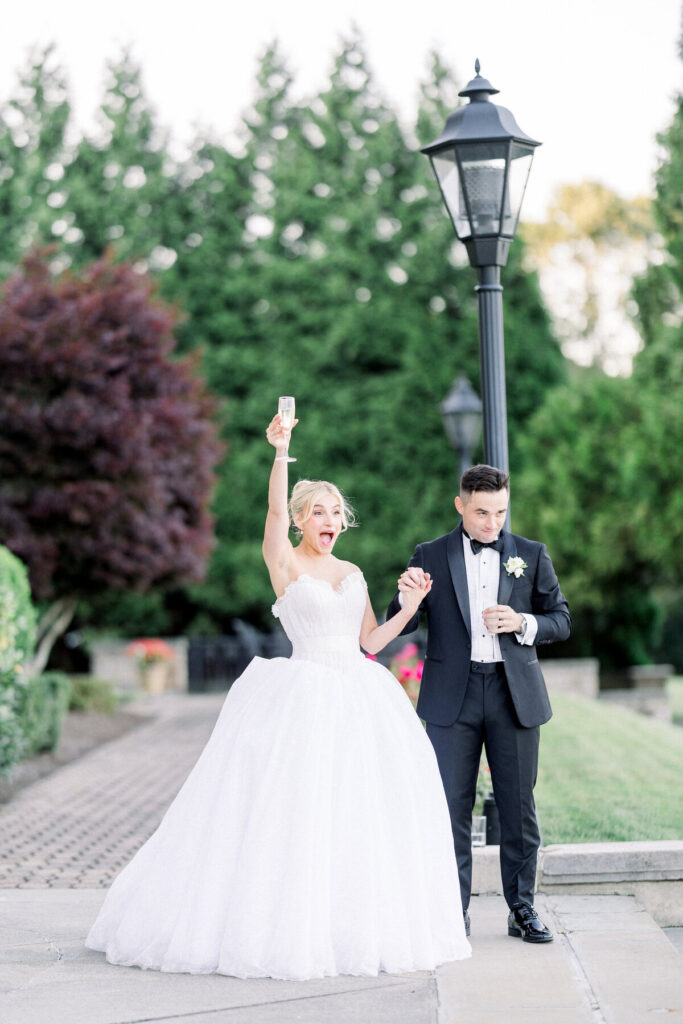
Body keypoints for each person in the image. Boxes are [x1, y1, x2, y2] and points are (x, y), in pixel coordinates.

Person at [85, 411, 471, 979]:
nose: (330, 520)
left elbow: (369, 641)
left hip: (361, 696)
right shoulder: (285, 563)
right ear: (299, 520)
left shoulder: (354, 571)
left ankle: (347, 928)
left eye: (337, 513)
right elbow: (268, 514)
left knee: (356, 812)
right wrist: (281, 451)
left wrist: (410, 607)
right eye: (319, 511)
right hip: (303, 694)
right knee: (295, 813)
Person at [387, 464, 570, 944]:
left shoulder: (531, 554)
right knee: (450, 806)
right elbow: (400, 625)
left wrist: (522, 621)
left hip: (515, 696)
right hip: (453, 697)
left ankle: (523, 909)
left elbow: (561, 619)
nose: (493, 524)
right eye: (483, 513)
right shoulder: (430, 554)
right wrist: (405, 599)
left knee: (518, 805)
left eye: (501, 512)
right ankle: (452, 911)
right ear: (460, 506)